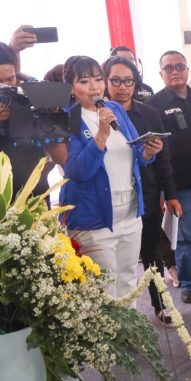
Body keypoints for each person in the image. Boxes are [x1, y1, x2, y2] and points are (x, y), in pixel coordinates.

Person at [58, 56, 161, 298]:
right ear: (71, 88)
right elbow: (78, 171)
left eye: (97, 79)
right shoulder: (66, 118)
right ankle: (109, 338)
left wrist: (148, 151)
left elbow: (134, 151)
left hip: (130, 212)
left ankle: (131, 337)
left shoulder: (114, 109)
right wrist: (101, 133)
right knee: (104, 291)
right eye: (84, 81)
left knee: (129, 281)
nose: (94, 87)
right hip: (94, 219)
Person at [102, 55, 180, 323]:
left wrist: (170, 194)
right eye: (116, 80)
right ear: (105, 81)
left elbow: (164, 158)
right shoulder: (93, 117)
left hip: (146, 194)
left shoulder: (149, 114)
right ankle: (114, 319)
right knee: (115, 264)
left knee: (152, 254)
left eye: (128, 81)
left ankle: (161, 305)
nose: (122, 87)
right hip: (108, 200)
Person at [146, 50, 191, 303]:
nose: (175, 71)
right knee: (188, 234)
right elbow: (156, 151)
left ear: (188, 69)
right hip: (180, 181)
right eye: (169, 68)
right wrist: (166, 190)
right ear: (161, 74)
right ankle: (190, 281)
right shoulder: (153, 106)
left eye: (179, 66)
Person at [0, 42, 58, 199]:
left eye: (10, 79)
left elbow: (58, 156)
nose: (5, 87)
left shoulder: (28, 100)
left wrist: (53, 111)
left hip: (35, 199)